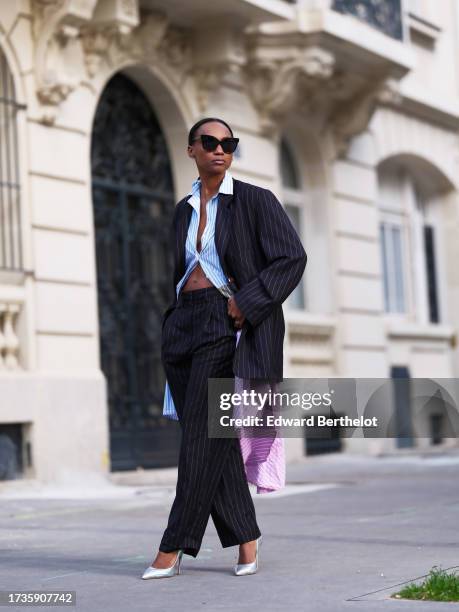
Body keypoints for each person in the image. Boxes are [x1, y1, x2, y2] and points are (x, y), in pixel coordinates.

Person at [141, 117, 307, 580]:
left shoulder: (256, 201)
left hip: (225, 323)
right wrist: (172, 318)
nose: (220, 149)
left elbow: (291, 258)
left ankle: (173, 546)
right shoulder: (183, 209)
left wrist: (246, 302)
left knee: (204, 436)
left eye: (228, 143)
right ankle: (246, 538)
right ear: (191, 148)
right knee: (209, 438)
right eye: (210, 142)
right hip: (182, 327)